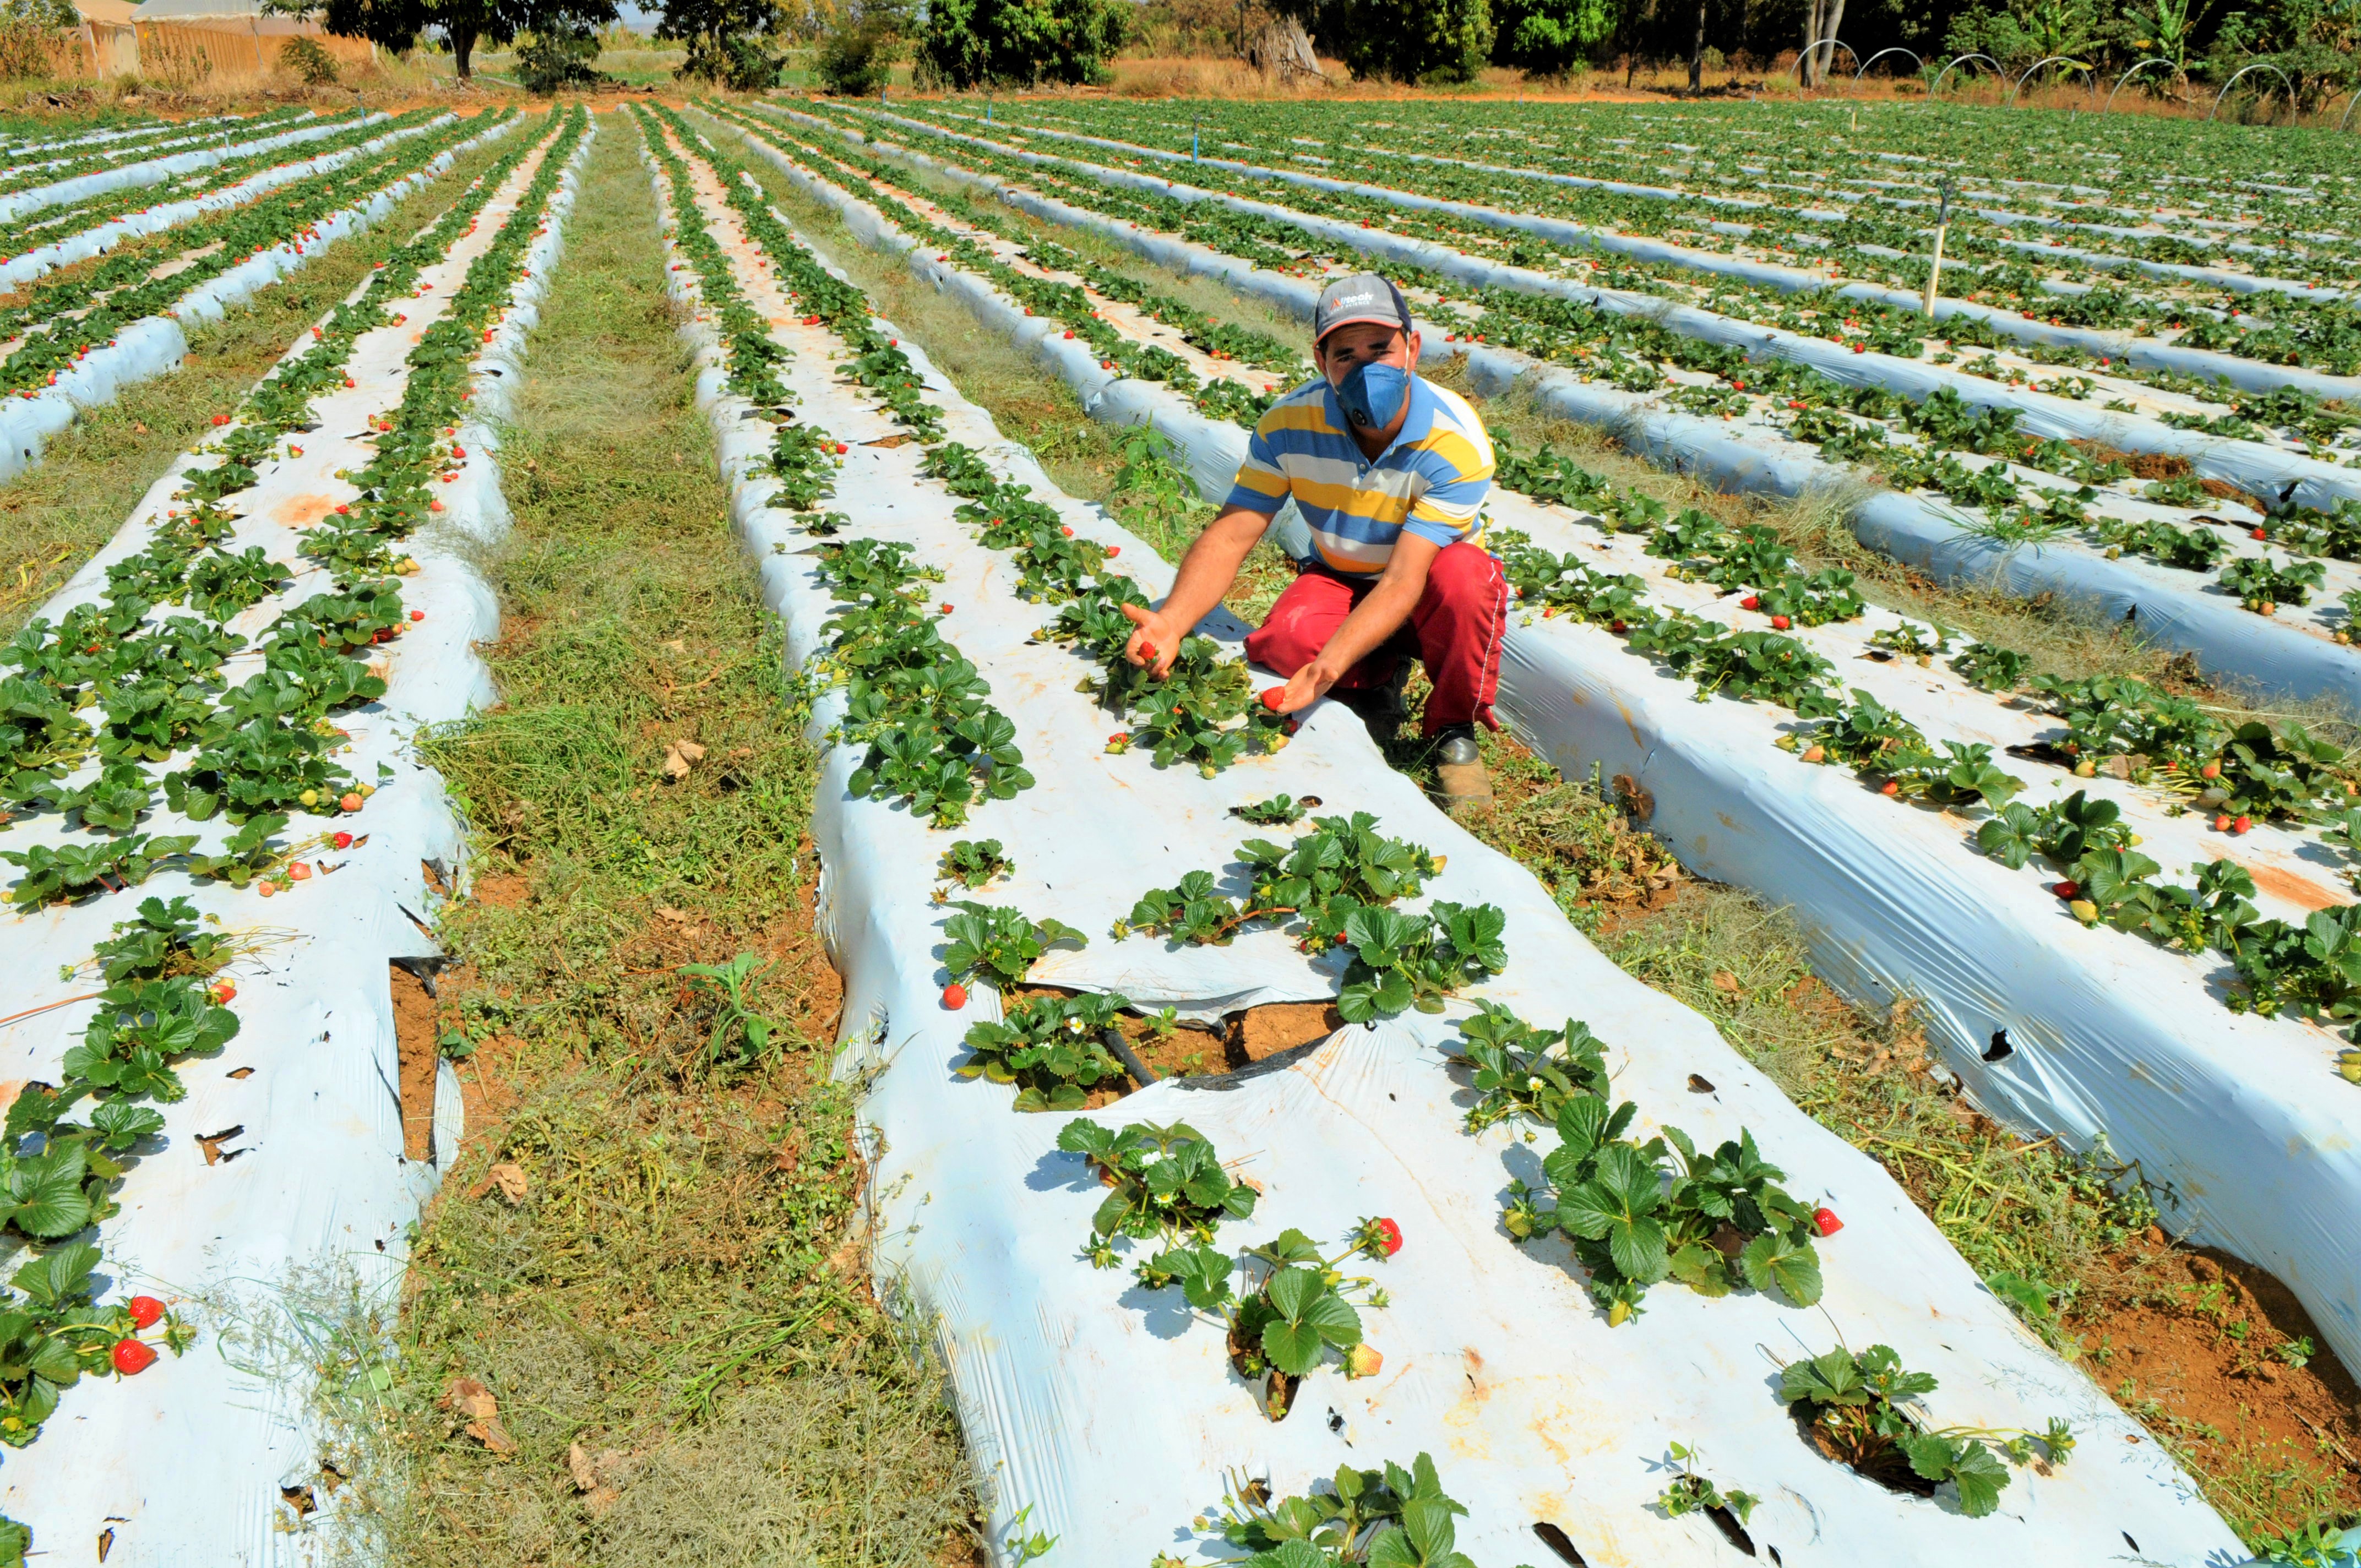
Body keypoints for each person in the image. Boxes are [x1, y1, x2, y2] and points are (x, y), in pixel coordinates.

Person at [1118, 273, 1508, 812]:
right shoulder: (1287, 425)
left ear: (1412, 349)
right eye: (1345, 354)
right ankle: (1375, 680)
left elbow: (1402, 580)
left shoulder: (1453, 440)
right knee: (1287, 641)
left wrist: (1326, 669)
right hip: (1342, 574)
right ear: (1320, 360)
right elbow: (1234, 531)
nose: (1366, 367)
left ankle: (1452, 732)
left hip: (1426, 588)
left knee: (1465, 578)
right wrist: (1172, 621)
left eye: (1381, 348)